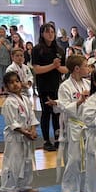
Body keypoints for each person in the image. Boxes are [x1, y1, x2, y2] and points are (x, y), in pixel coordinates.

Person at [0, 71, 39, 192]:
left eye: (17, 81)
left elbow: (31, 116)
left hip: (26, 134)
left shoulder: (26, 99)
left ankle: (24, 186)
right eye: (11, 83)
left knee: (27, 160)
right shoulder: (9, 102)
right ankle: (9, 189)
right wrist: (25, 132)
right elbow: (12, 123)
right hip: (14, 136)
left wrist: (33, 130)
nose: (15, 84)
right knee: (13, 161)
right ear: (6, 87)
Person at [57, 54, 90, 192]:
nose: (88, 69)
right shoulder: (65, 86)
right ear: (77, 69)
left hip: (88, 125)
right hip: (75, 125)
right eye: (86, 66)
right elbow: (64, 107)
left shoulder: (88, 84)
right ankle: (66, 189)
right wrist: (79, 102)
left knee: (87, 157)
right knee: (74, 158)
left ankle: (84, 187)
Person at [32, 23, 66, 151]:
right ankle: (46, 140)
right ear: (42, 34)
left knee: (57, 112)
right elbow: (37, 69)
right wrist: (53, 66)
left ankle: (57, 138)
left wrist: (57, 67)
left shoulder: (59, 50)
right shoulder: (37, 49)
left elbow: (65, 69)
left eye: (52, 32)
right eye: (47, 32)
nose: (50, 34)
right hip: (44, 85)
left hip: (56, 85)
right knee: (46, 113)